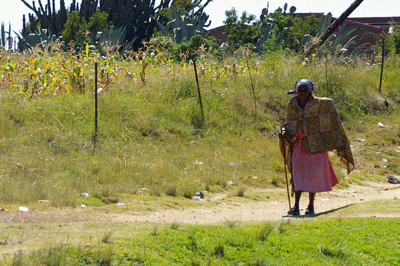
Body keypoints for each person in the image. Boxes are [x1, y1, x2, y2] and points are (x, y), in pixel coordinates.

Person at [279, 79, 354, 216]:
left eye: (305, 90)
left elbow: (331, 120)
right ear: (296, 91)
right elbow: (289, 124)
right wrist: (284, 132)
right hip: (298, 145)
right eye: (300, 90)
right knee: (297, 176)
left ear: (310, 91)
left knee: (313, 177)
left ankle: (311, 206)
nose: (302, 93)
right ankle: (295, 206)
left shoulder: (321, 104)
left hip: (316, 146)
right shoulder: (292, 104)